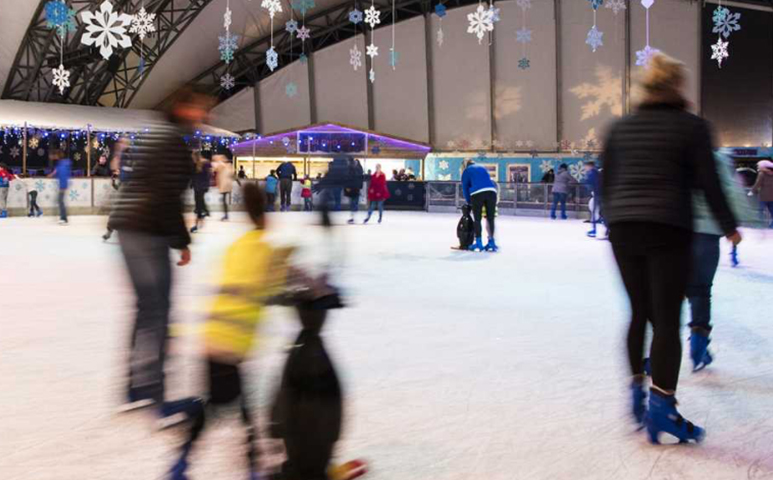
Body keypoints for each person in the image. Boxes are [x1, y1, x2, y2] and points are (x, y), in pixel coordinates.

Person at [601, 53, 741, 444]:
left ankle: (635, 393)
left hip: (625, 230)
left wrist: (617, 220)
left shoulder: (620, 128)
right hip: (668, 227)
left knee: (638, 314)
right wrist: (729, 226)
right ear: (677, 86)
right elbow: (708, 183)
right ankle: (662, 408)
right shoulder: (692, 127)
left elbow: (606, 183)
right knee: (665, 320)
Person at [166, 183, 294, 480]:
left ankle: (183, 464)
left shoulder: (238, 247)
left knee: (227, 405)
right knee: (231, 409)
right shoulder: (266, 250)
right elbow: (278, 290)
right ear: (267, 215)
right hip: (231, 344)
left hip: (213, 336)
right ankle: (237, 468)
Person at [108, 86, 205, 417]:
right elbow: (166, 198)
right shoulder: (172, 142)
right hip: (147, 231)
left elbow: (138, 185)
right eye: (200, 109)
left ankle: (134, 388)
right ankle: (159, 399)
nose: (204, 117)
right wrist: (182, 241)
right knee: (159, 312)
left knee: (145, 309)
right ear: (183, 108)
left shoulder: (154, 135)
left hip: (129, 228)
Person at [686, 152, 758, 373]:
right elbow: (730, 190)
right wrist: (736, 224)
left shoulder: (671, 152)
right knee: (700, 291)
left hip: (676, 231)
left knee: (665, 293)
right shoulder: (716, 158)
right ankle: (698, 342)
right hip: (707, 234)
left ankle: (653, 355)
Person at [461, 159, 498, 252]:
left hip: (477, 193)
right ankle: (491, 242)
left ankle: (478, 242)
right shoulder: (482, 167)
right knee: (490, 218)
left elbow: (465, 188)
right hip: (491, 192)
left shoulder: (466, 171)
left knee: (477, 219)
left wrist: (469, 201)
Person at [48, 150, 72, 225]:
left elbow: (62, 174)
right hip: (63, 185)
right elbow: (55, 172)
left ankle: (64, 218)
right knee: (60, 201)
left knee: (60, 201)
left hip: (63, 185)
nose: (55, 157)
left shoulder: (63, 165)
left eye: (56, 156)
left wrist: (63, 186)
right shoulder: (61, 164)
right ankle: (63, 218)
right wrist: (51, 175)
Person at [190, 152, 211, 233]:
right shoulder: (199, 164)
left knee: (198, 204)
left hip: (200, 187)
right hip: (199, 187)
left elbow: (208, 175)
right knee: (198, 204)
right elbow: (193, 175)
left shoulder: (203, 163)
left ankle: (197, 224)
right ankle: (204, 213)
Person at [583, 161, 604, 237]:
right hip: (600, 194)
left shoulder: (592, 173)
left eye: (586, 166)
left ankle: (595, 230)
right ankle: (606, 230)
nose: (585, 168)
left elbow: (589, 182)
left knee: (595, 211)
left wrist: (586, 179)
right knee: (600, 211)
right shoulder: (597, 172)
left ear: (590, 166)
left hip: (598, 194)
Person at [751, 159, 773, 228]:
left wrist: (752, 191)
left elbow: (758, 183)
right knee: (772, 211)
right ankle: (771, 226)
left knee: (760, 211)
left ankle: (759, 226)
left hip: (763, 196)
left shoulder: (762, 174)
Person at [212, 155, 235, 221]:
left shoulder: (221, 165)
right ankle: (226, 215)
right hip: (227, 184)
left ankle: (226, 215)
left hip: (224, 185)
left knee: (224, 200)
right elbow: (232, 173)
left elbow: (214, 169)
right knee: (224, 200)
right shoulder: (229, 165)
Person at [344, 159, 364, 224]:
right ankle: (353, 217)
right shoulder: (356, 170)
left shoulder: (354, 170)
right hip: (354, 189)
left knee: (353, 203)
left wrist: (347, 187)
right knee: (353, 203)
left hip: (354, 189)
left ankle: (353, 218)